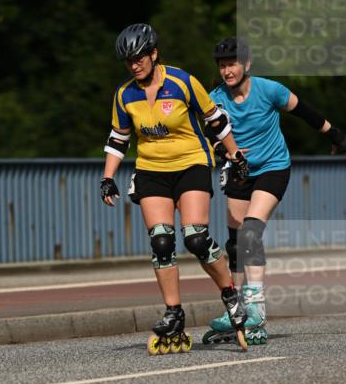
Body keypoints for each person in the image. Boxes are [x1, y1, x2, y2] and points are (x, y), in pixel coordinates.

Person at [100, 23, 250, 352]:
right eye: (129, 61)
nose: (135, 64)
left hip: (191, 163)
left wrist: (236, 156)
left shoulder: (182, 82)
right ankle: (174, 313)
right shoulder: (125, 95)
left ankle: (229, 294)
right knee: (162, 241)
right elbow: (118, 139)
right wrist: (108, 177)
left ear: (154, 54)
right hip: (151, 170)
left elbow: (216, 120)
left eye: (140, 57)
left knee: (196, 237)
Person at [205, 36, 346, 344]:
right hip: (240, 171)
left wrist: (337, 136)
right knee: (235, 243)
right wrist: (222, 153)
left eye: (232, 64)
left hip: (274, 167)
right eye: (222, 66)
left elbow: (305, 112)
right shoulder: (215, 99)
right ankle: (236, 307)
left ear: (247, 64)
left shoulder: (269, 90)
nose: (227, 71)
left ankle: (257, 310)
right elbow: (208, 137)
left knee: (250, 231)